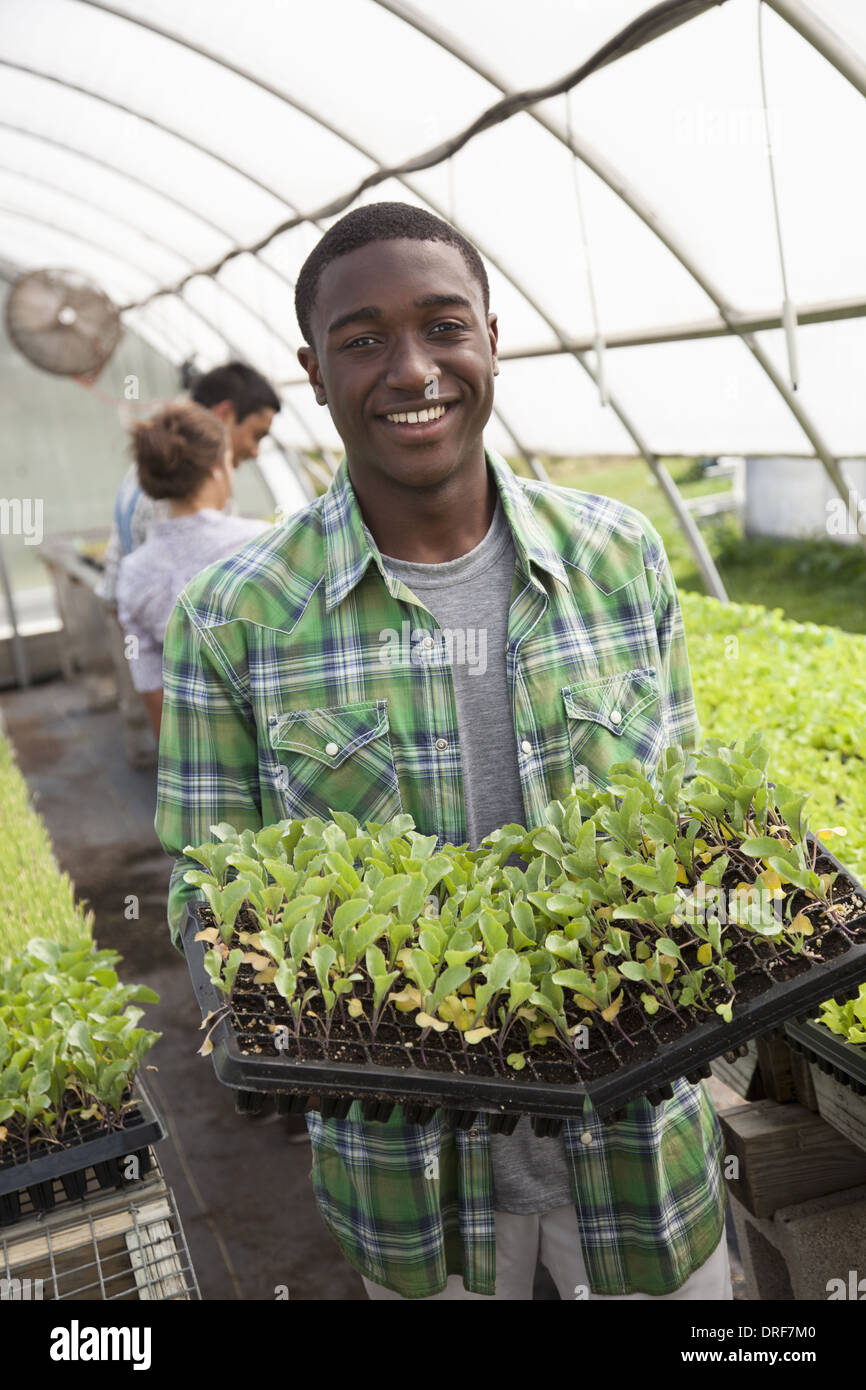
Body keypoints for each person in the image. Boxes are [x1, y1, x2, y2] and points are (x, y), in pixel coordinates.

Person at [155, 201, 731, 1301]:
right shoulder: (233, 615)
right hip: (409, 1180)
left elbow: (689, 821)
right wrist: (258, 1014)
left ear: (491, 340)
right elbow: (204, 889)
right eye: (361, 339)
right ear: (313, 374)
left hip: (639, 1148)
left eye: (442, 325)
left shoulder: (616, 557)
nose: (410, 367)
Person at [117, 401, 272, 738]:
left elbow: (151, 687)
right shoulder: (261, 543)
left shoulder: (133, 573)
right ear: (217, 467)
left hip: (198, 750)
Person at [98, 361, 280, 604]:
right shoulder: (181, 486)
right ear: (225, 415)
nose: (256, 452)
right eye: (256, 435)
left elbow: (120, 573)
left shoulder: (153, 468)